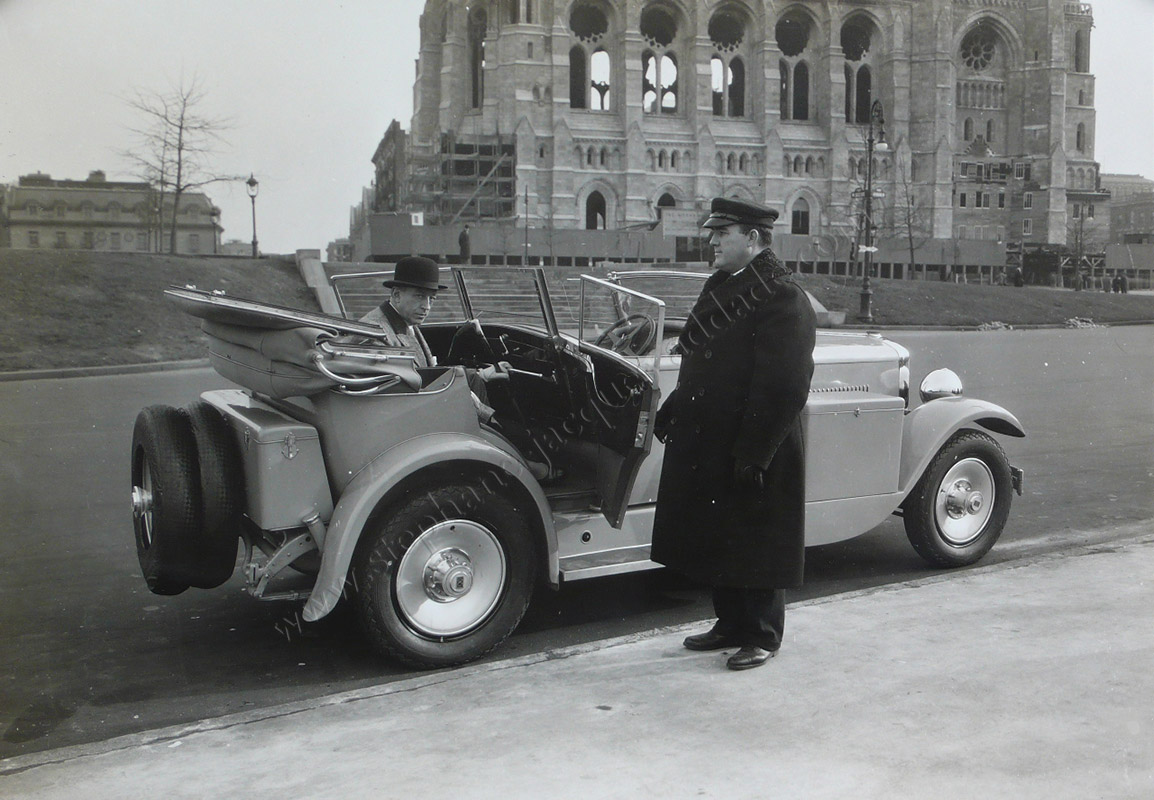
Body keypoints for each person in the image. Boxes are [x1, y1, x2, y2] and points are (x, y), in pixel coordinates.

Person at [651, 197, 816, 671]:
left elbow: (784, 385)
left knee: (756, 535)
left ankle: (762, 634)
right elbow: (702, 363)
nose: (712, 240)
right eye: (713, 232)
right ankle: (729, 623)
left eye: (723, 233)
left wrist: (754, 453)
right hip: (714, 437)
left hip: (756, 441)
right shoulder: (723, 284)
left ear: (754, 239)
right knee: (721, 533)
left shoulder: (782, 295)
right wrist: (672, 410)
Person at [361, 255, 558, 480]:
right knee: (485, 409)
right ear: (396, 295)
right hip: (403, 419)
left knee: (478, 391)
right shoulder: (377, 331)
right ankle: (511, 462)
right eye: (419, 297)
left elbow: (426, 372)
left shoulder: (403, 323)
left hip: (411, 408)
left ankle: (509, 456)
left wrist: (479, 375)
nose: (426, 307)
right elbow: (405, 387)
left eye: (431, 299)